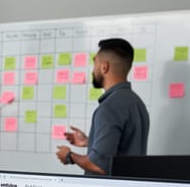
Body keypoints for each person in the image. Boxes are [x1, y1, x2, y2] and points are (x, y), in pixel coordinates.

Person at [55, 38, 149, 175]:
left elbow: (100, 166)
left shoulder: (109, 107)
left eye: (95, 63)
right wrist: (90, 142)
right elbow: (123, 150)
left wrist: (69, 156)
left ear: (104, 67)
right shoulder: (137, 103)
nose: (93, 70)